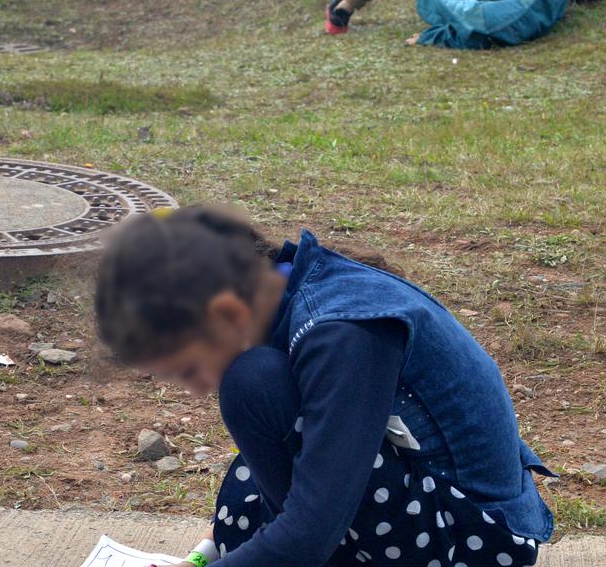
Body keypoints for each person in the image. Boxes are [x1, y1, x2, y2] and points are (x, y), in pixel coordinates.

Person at [95, 206, 556, 567]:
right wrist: (203, 557)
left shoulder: (342, 336)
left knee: (252, 387)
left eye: (188, 368)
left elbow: (310, 533)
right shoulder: (297, 287)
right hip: (427, 507)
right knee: (262, 450)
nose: (196, 389)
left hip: (471, 543)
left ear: (227, 315)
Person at [327, 0, 568, 50]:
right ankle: (345, 5)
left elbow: (484, 28)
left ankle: (344, 5)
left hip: (485, 13)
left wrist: (433, 36)